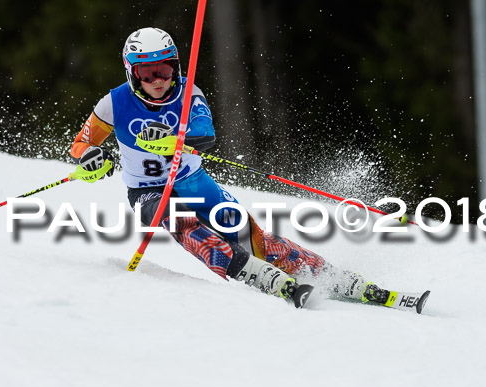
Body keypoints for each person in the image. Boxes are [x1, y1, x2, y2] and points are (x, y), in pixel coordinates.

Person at [69, 27, 391, 307]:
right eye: (147, 73)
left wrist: (173, 139)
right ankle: (247, 270)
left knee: (242, 230)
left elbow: (205, 134)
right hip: (146, 189)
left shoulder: (189, 91)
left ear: (175, 66)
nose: (157, 81)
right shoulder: (113, 103)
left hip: (192, 179)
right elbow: (81, 145)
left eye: (165, 71)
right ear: (131, 73)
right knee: (172, 217)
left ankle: (327, 274)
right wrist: (89, 159)